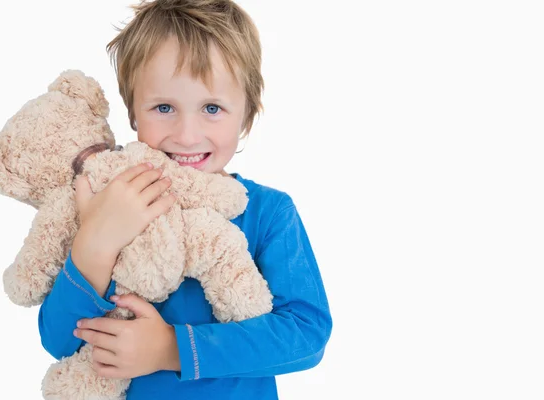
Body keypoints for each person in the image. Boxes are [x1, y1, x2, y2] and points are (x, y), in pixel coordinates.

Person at [38, 0, 332, 398]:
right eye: (163, 107)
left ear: (246, 115)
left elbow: (305, 335)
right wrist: (96, 241)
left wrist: (170, 349)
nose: (188, 135)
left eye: (212, 108)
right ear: (133, 113)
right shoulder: (106, 201)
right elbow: (58, 341)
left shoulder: (267, 212)